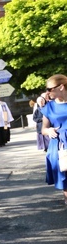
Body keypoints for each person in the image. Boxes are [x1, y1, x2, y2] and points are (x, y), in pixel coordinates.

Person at [42, 74, 67, 205]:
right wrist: (49, 130)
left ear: (61, 87)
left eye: (50, 89)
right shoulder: (49, 107)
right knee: (65, 178)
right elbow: (43, 129)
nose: (47, 92)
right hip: (60, 145)